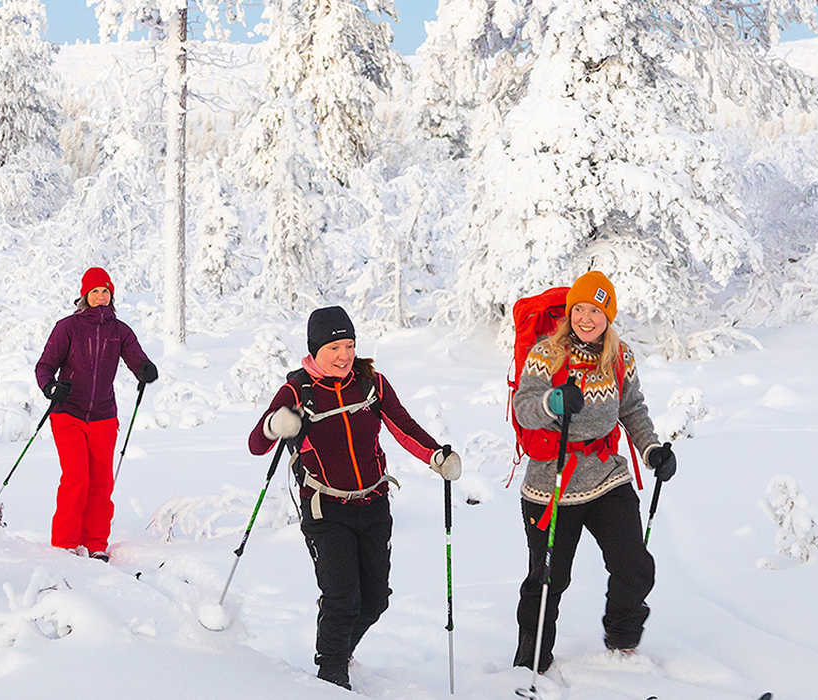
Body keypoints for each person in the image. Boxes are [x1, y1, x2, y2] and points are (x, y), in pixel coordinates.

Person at [249, 306, 462, 690]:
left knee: (376, 598)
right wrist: (275, 425)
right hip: (326, 508)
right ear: (315, 349)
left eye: (349, 345)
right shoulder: (299, 390)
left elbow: (403, 424)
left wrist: (436, 455)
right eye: (334, 347)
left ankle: (341, 646)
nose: (344, 355)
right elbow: (256, 444)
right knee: (342, 596)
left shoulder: (371, 383)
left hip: (374, 503)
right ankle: (331, 672)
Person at [511, 271, 677, 672]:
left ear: (608, 316)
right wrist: (552, 401)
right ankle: (531, 662)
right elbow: (523, 408)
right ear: (570, 312)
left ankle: (622, 641)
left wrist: (652, 449)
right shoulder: (545, 353)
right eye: (580, 309)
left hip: (605, 475)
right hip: (551, 483)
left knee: (634, 564)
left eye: (596, 311)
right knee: (548, 580)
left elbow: (632, 409)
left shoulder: (620, 357)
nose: (587, 318)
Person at [34, 267, 157, 561]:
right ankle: (65, 543)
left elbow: (137, 359)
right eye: (95, 292)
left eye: (105, 292)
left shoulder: (120, 331)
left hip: (103, 415)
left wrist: (145, 369)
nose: (101, 297)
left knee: (102, 481)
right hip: (68, 413)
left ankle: (95, 543)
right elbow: (44, 367)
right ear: (85, 296)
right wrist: (51, 387)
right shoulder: (68, 328)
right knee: (77, 477)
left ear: (111, 296)